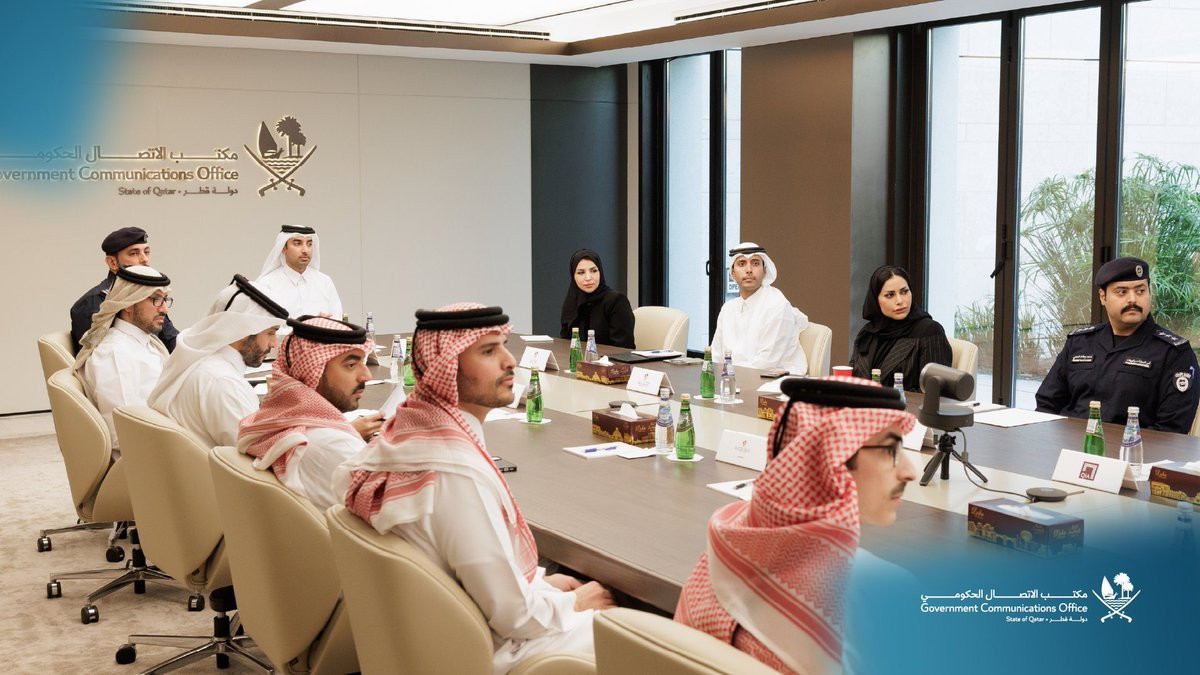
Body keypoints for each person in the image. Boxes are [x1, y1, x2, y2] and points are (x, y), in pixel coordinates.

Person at [336, 303, 614, 675]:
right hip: (496, 652)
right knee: (641, 633)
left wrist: (539, 583)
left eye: (503, 346)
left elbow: (467, 569)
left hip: (439, 637)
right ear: (447, 368)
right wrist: (575, 603)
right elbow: (513, 616)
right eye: (488, 351)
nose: (509, 361)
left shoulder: (408, 435)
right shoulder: (454, 472)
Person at [675, 377, 917, 674]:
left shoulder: (725, 544)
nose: (910, 472)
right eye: (891, 451)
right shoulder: (883, 593)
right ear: (830, 458)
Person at [1035, 256, 1199, 433]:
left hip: (1133, 448)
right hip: (1071, 444)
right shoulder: (1079, 342)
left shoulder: (1174, 352)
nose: (1133, 299)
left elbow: (1171, 429)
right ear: (1102, 297)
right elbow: (1047, 404)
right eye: (1122, 292)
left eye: (1140, 291)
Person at [237, 316, 384, 511]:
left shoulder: (275, 420)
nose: (366, 376)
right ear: (312, 370)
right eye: (351, 365)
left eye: (363, 363)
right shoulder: (337, 445)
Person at [148, 275, 288, 447]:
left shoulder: (199, 361)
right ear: (244, 330)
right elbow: (261, 454)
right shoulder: (224, 384)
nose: (273, 344)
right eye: (270, 333)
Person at [74, 265, 173, 451]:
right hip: (151, 455)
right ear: (128, 303)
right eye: (156, 300)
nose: (165, 309)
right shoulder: (115, 355)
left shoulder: (146, 342)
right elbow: (126, 432)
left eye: (165, 299)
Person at [70, 227, 178, 352]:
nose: (145, 259)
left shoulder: (148, 295)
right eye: (134, 253)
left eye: (146, 252)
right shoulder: (92, 303)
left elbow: (171, 340)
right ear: (113, 263)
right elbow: (95, 353)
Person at [710, 242, 808, 373]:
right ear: (732, 274)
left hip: (776, 379)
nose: (749, 270)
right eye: (742, 264)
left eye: (755, 263)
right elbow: (716, 355)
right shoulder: (728, 309)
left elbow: (767, 362)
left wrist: (729, 376)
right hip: (734, 378)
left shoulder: (777, 305)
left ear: (764, 271)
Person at [850, 265, 952, 389]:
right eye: (890, 295)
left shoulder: (929, 331)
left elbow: (934, 392)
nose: (899, 301)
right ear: (876, 300)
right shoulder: (868, 333)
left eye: (904, 292)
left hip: (905, 402)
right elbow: (853, 379)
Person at [253, 225, 343, 320]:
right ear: (283, 248)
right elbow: (264, 326)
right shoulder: (267, 284)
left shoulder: (324, 282)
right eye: (297, 243)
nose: (305, 250)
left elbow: (338, 321)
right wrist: (309, 325)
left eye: (309, 244)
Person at [559, 249, 635, 349]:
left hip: (611, 358)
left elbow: (623, 348)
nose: (588, 278)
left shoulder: (616, 301)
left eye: (594, 271)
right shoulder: (572, 302)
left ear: (600, 272)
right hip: (577, 358)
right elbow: (566, 343)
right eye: (581, 273)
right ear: (573, 276)